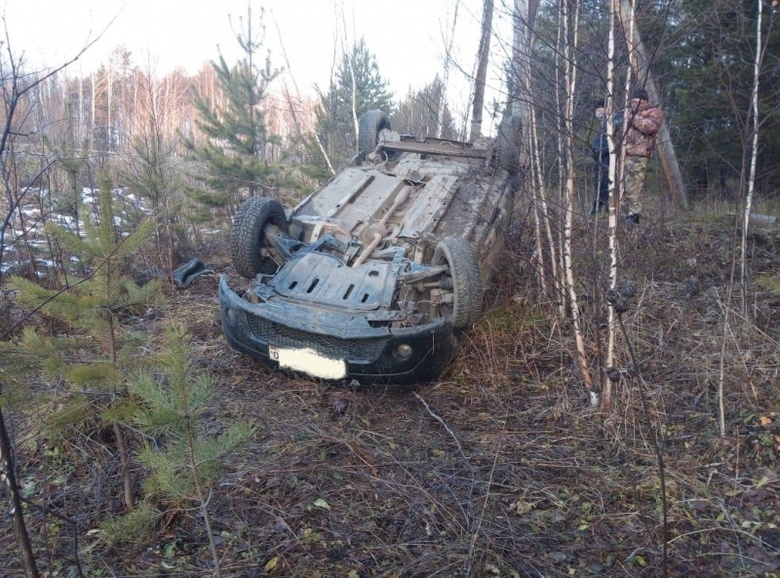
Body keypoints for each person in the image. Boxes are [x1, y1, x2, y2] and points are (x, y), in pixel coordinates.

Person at [621, 88, 663, 224]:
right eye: (632, 101)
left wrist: (632, 118)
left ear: (643, 101)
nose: (633, 104)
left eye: (636, 101)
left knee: (634, 186)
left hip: (638, 155)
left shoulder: (653, 112)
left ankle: (634, 215)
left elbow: (651, 127)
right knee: (621, 187)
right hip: (623, 154)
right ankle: (623, 215)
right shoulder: (628, 112)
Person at [590, 99, 610, 216]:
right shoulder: (603, 123)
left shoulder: (612, 121)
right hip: (599, 157)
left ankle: (605, 207)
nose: (597, 111)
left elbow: (612, 140)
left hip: (606, 157)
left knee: (605, 182)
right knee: (598, 182)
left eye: (599, 108)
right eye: (596, 109)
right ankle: (598, 206)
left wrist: (602, 150)